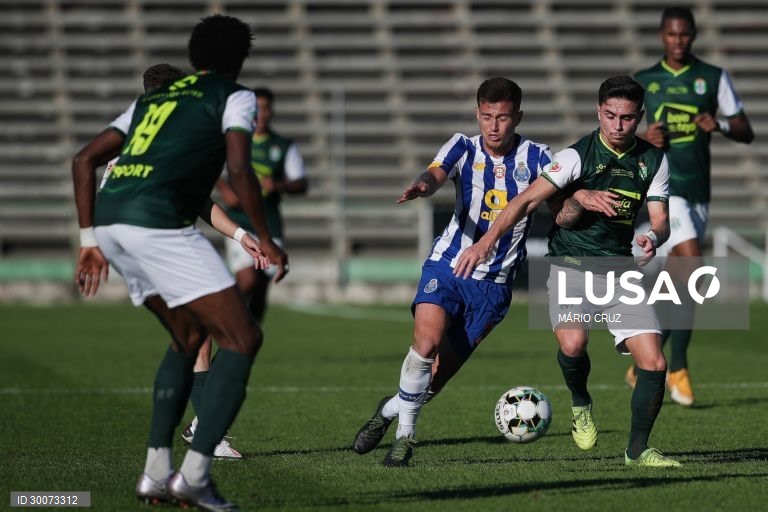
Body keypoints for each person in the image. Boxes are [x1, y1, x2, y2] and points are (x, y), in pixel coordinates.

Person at [72, 15, 288, 511]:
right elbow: (239, 168)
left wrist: (88, 240)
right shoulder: (233, 96)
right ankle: (194, 475)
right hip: (158, 228)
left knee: (189, 336)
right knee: (243, 337)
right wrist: (265, 237)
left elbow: (84, 160)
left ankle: (155, 473)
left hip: (110, 225)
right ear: (239, 59)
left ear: (193, 55)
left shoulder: (152, 103)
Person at [456, 76, 682, 467]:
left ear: (640, 117)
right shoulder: (576, 157)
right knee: (574, 345)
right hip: (571, 266)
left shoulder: (654, 160)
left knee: (655, 363)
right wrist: (486, 241)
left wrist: (653, 238)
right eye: (610, 115)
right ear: (598, 112)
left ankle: (637, 450)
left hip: (620, 270)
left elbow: (660, 220)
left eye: (627, 118)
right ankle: (581, 403)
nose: (617, 125)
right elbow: (525, 201)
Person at [351, 77, 554, 467]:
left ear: (518, 117)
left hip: (493, 287)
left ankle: (389, 409)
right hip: (447, 266)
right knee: (425, 344)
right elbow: (436, 173)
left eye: (502, 118)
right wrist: (422, 185)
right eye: (487, 117)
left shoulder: (538, 157)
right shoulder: (462, 145)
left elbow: (563, 188)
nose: (493, 126)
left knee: (432, 381)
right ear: (477, 114)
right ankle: (405, 439)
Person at [630, 6, 754, 406]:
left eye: (684, 34)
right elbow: (619, 137)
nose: (678, 41)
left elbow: (746, 130)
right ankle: (678, 366)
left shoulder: (713, 78)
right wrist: (644, 139)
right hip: (666, 191)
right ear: (661, 36)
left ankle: (643, 362)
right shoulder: (645, 81)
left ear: (694, 35)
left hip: (699, 193)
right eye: (671, 34)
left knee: (682, 283)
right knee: (695, 268)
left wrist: (719, 125)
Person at [181, 87, 308, 453]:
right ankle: (204, 432)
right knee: (233, 309)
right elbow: (220, 175)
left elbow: (300, 182)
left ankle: (199, 428)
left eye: (264, 110)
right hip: (236, 234)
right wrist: (227, 190)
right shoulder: (229, 142)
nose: (259, 116)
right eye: (256, 110)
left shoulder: (281, 146)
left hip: (263, 232)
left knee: (246, 323)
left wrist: (276, 185)